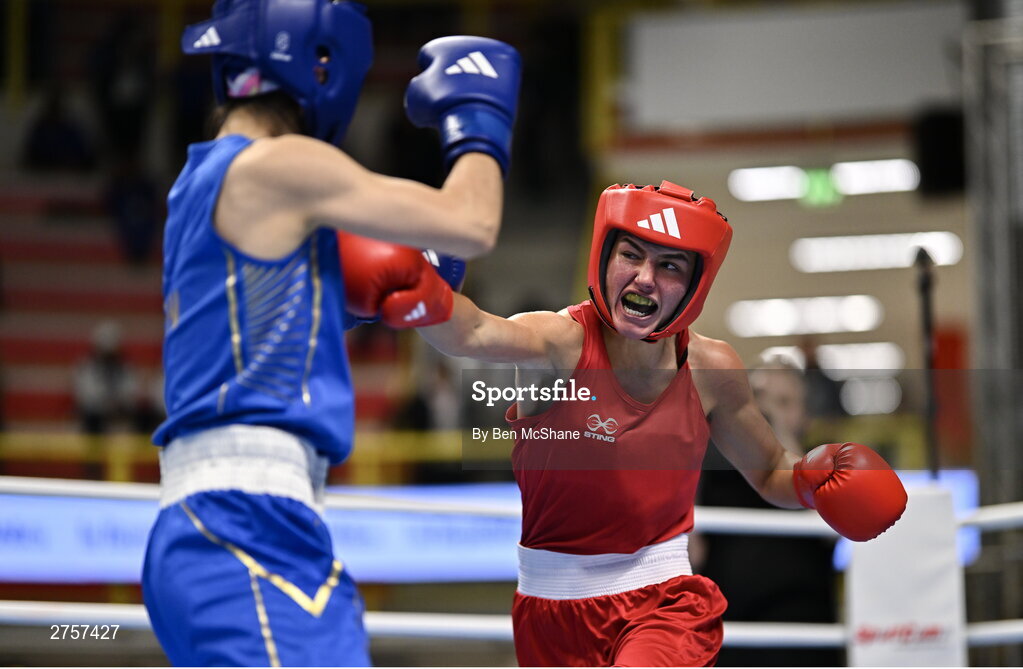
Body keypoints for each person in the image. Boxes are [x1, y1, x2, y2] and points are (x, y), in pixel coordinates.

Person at [140, 0, 521, 665]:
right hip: (247, 523)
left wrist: (350, 300)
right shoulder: (280, 165)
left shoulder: (196, 184)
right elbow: (474, 220)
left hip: (210, 524)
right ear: (320, 59)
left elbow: (250, 331)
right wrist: (478, 113)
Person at [410, 181, 908, 666]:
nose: (645, 277)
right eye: (631, 255)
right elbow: (471, 332)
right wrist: (415, 285)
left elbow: (769, 467)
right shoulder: (558, 343)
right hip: (548, 606)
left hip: (663, 600)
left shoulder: (712, 369)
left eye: (669, 265)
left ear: (694, 286)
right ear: (605, 258)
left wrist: (810, 482)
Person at [698, 360, 842, 667]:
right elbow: (692, 551)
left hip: (803, 637)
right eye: (759, 400)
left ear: (806, 415)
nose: (767, 410)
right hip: (731, 635)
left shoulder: (826, 463)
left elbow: (834, 531)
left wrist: (774, 439)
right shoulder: (715, 466)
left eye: (784, 402)